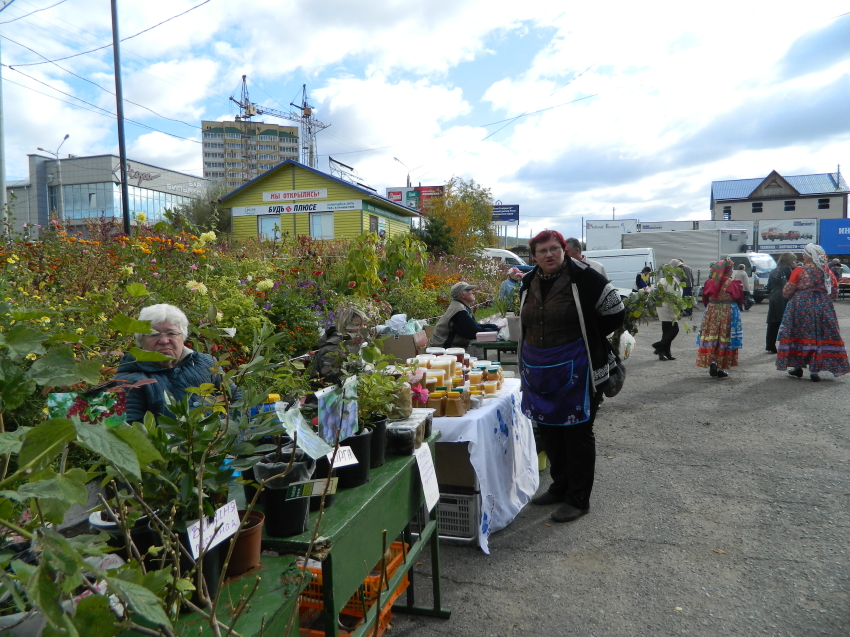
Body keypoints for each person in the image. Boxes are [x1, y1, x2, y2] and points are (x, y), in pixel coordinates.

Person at [520, 230, 625, 523]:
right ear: (534, 256)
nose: (549, 254)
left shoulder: (586, 277)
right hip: (539, 368)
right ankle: (560, 486)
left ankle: (578, 499)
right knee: (550, 429)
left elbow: (615, 311)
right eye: (542, 251)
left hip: (579, 367)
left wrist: (589, 336)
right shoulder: (529, 281)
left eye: (554, 248)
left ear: (565, 250)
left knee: (577, 432)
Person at [114, 304, 238, 423]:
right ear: (141, 341)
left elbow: (237, 399)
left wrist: (226, 435)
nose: (163, 340)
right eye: (153, 334)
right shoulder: (127, 382)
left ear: (182, 337)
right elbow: (130, 434)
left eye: (171, 333)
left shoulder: (206, 363)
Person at [776, 244, 850, 382]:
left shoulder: (799, 271)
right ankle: (815, 370)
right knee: (820, 336)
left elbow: (787, 292)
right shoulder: (827, 272)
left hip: (801, 307)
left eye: (804, 254)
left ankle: (798, 367)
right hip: (823, 307)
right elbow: (834, 293)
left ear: (810, 256)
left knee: (800, 335)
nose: (802, 256)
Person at [695, 258, 744, 379]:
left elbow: (705, 299)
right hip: (728, 312)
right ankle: (721, 367)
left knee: (711, 336)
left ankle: (712, 361)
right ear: (729, 271)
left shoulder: (709, 283)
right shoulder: (733, 283)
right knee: (725, 337)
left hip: (712, 310)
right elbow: (740, 298)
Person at [429, 282, 499, 348]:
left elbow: (475, 326)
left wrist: (495, 327)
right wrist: (496, 331)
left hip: (448, 348)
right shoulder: (459, 311)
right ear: (462, 294)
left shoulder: (460, 306)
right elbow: (474, 332)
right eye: (470, 290)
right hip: (444, 350)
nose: (473, 292)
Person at [310, 307, 369, 385]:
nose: (363, 329)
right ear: (346, 327)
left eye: (364, 325)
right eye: (358, 325)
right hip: (324, 395)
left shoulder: (352, 345)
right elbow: (333, 379)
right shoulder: (332, 348)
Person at [651, 259, 684, 361]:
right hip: (669, 308)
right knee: (674, 330)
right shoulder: (672, 280)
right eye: (680, 267)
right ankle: (659, 346)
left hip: (663, 307)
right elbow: (672, 297)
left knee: (666, 331)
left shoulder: (666, 278)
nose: (682, 270)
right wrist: (677, 312)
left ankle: (664, 353)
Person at [765, 253, 795, 354]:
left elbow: (768, 287)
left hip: (773, 297)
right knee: (787, 322)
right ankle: (787, 345)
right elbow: (792, 285)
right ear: (790, 261)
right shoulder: (789, 270)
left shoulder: (773, 270)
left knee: (773, 322)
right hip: (785, 297)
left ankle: (770, 345)